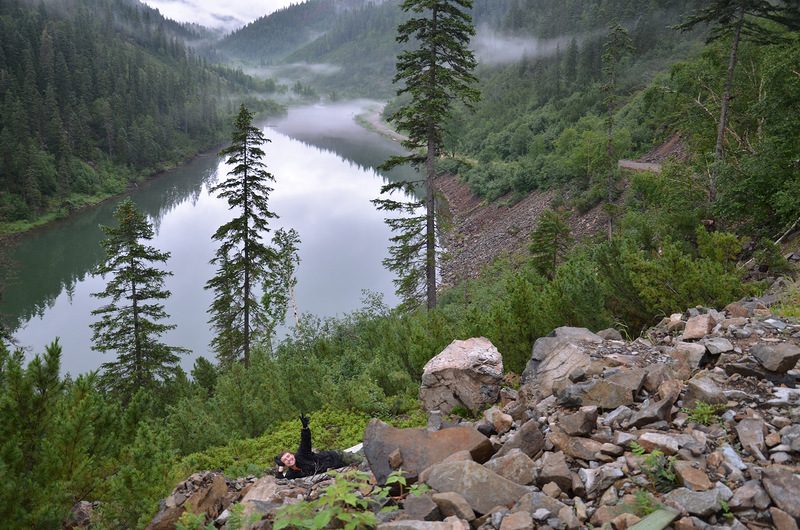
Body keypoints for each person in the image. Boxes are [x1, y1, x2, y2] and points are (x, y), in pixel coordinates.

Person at [274, 413, 364, 479]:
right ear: (284, 464)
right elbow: (280, 482)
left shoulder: (302, 455)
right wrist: (280, 468)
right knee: (363, 454)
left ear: (292, 455)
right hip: (336, 467)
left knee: (364, 461)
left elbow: (305, 442)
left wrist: (305, 429)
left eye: (288, 456)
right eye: (285, 460)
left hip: (337, 457)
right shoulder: (292, 474)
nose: (289, 459)